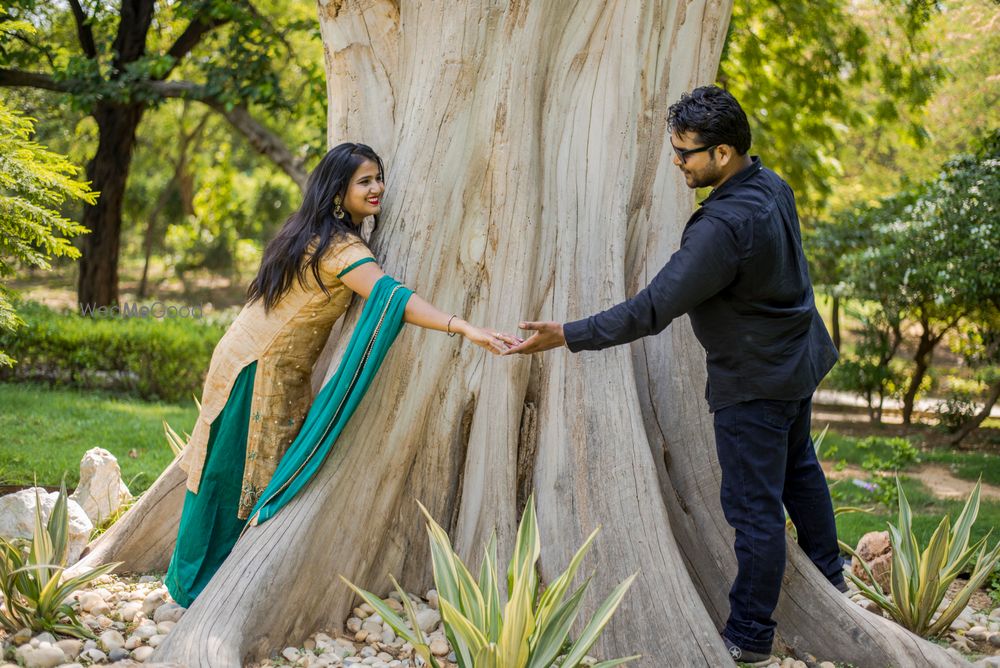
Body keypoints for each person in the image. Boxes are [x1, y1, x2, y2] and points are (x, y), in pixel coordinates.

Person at [503, 86, 844, 663]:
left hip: (754, 383)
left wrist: (567, 333)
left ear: (724, 153)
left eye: (686, 153)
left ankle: (749, 638)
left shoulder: (721, 227)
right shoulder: (772, 185)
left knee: (753, 509)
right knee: (800, 473)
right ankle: (833, 584)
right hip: (796, 362)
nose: (677, 162)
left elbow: (653, 308)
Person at [165, 142, 514, 608]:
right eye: (364, 181)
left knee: (231, 467)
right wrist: (462, 325)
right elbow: (390, 297)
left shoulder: (309, 231)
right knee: (232, 470)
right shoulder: (339, 247)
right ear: (338, 191)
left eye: (378, 178)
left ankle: (203, 581)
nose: (377, 189)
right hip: (259, 367)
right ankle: (206, 587)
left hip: (247, 357)